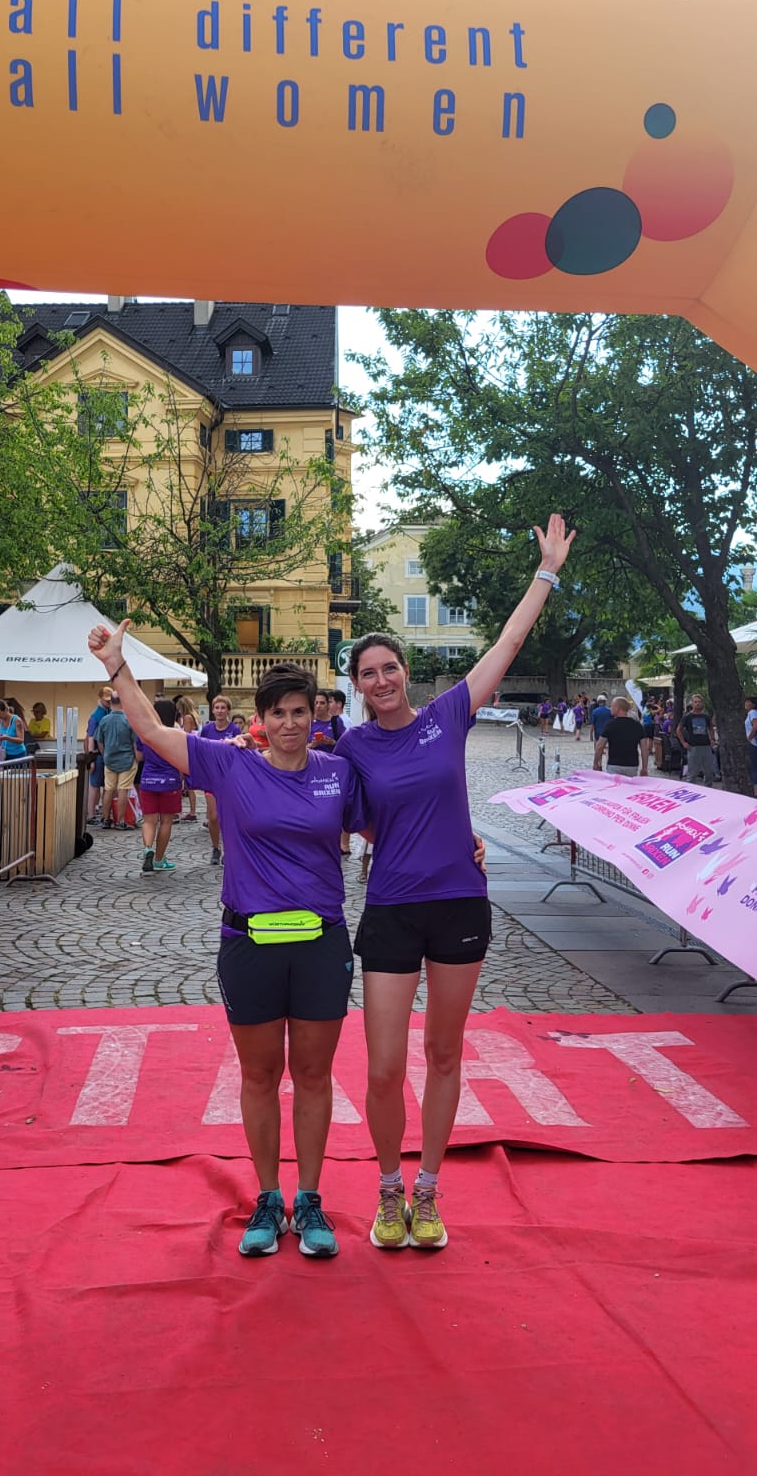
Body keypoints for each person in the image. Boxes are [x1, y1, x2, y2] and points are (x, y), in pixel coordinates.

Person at [87, 625, 368, 1260]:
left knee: (315, 1074)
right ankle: (269, 1197)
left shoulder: (338, 774)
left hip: (321, 942)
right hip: (250, 943)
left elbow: (392, 821)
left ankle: (311, 1198)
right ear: (261, 719)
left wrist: (467, 843)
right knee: (262, 1073)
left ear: (315, 715)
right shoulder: (232, 763)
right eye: (279, 713)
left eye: (301, 711)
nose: (292, 722)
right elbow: (155, 734)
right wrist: (117, 666)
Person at [336, 514, 575, 1253]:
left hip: (458, 907)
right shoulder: (351, 746)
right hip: (392, 911)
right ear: (355, 685)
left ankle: (429, 1192)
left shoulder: (448, 715)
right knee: (381, 1067)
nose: (380, 680)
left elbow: (505, 644)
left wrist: (547, 572)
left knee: (444, 1053)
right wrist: (417, 836)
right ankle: (385, 1189)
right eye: (367, 673)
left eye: (389, 668)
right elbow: (354, 820)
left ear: (405, 672)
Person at [136, 698, 183, 873]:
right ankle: (158, 859)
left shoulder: (145, 733)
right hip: (170, 782)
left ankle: (148, 848)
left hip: (148, 780)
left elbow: (139, 757)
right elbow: (181, 759)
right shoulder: (176, 734)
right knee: (166, 822)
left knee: (149, 820)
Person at [200, 695, 241, 866]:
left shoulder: (235, 729)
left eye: (223, 708)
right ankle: (216, 848)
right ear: (213, 710)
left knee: (228, 817)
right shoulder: (207, 729)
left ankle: (228, 849)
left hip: (229, 778)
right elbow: (200, 750)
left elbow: (240, 752)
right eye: (217, 708)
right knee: (214, 816)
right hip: (211, 777)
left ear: (228, 710)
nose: (220, 711)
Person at [96, 691, 137, 828]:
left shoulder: (104, 720)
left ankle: (106, 819)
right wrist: (136, 758)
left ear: (111, 702)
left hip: (109, 759)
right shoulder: (129, 720)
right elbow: (135, 743)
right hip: (127, 759)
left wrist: (104, 754)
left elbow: (100, 742)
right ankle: (120, 821)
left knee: (108, 789)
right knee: (122, 790)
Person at [593, 697, 647, 777]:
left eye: (612, 706)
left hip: (614, 764)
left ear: (618, 708)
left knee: (615, 788)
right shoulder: (637, 726)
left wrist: (596, 763)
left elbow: (600, 746)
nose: (610, 708)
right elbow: (644, 748)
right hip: (632, 765)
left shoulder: (610, 725)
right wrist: (644, 768)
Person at [85, 685, 114, 823]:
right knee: (94, 785)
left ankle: (98, 812)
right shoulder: (96, 716)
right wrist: (90, 759)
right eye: (106, 699)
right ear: (100, 698)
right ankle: (90, 814)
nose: (109, 702)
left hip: (105, 753)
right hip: (97, 754)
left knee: (104, 785)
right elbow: (90, 737)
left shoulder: (108, 712)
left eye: (110, 700)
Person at [675, 694, 717, 786]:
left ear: (702, 703)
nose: (697, 704)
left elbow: (710, 728)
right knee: (692, 773)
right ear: (692, 704)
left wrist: (712, 739)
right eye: (695, 702)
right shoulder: (687, 717)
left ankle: (708, 789)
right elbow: (678, 730)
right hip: (693, 747)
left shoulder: (706, 716)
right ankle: (690, 789)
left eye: (699, 702)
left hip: (706, 746)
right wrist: (683, 742)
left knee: (709, 772)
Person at [174, 695, 201, 821]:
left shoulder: (187, 718)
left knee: (186, 782)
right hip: (194, 751)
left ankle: (191, 811)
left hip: (187, 751)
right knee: (189, 784)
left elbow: (186, 734)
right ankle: (192, 810)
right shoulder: (195, 717)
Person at [745, 696, 757, 798]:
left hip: (754, 743)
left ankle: (755, 792)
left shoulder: (752, 713)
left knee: (754, 768)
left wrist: (749, 737)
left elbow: (755, 725)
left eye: (747, 702)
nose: (745, 704)